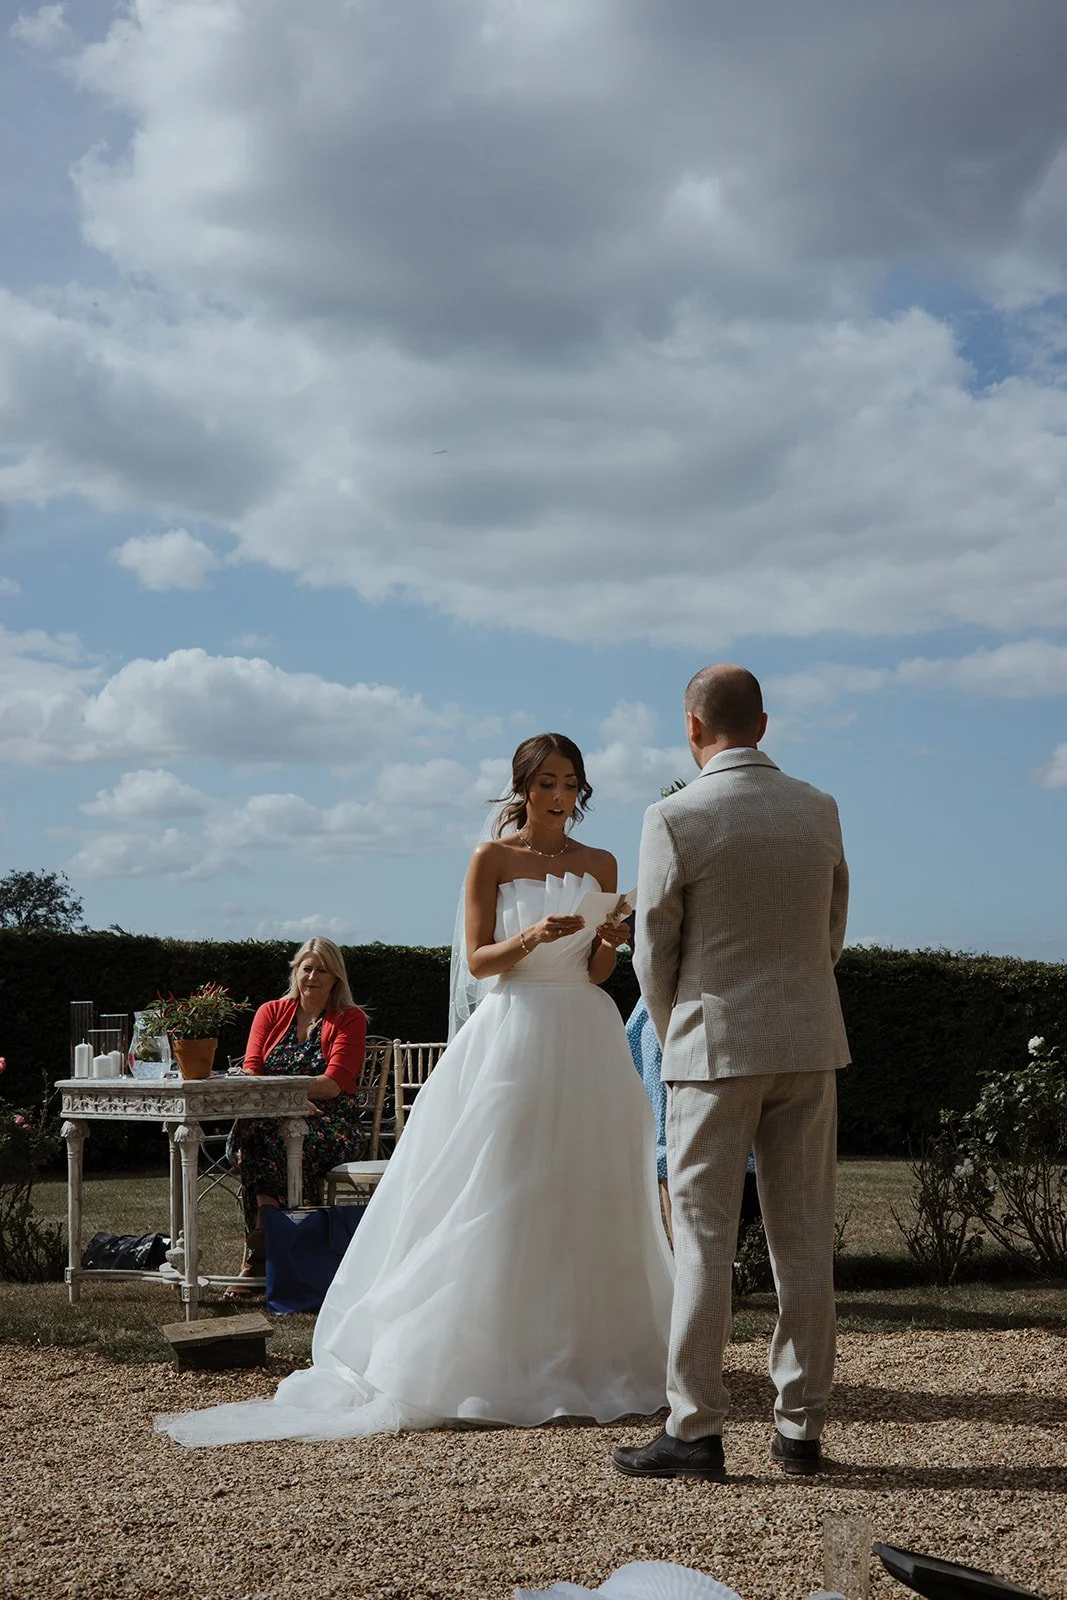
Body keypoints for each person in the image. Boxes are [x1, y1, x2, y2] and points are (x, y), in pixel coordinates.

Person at [158, 733, 673, 1445]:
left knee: (584, 1180)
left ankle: (588, 1350)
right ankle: (491, 1352)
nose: (559, 797)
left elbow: (591, 974)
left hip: (584, 1029)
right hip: (516, 1028)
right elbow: (480, 960)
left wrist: (609, 937)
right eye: (547, 783)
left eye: (570, 783)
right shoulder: (490, 859)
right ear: (522, 786)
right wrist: (532, 938)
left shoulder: (601, 863)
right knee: (505, 1179)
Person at [613, 664, 849, 1483]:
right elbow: (831, 929)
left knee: (704, 1236)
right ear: (763, 723)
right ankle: (800, 1429)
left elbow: (653, 946)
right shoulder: (817, 810)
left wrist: (680, 1023)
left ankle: (695, 1427)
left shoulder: (674, 816)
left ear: (690, 727)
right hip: (808, 1041)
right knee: (801, 1233)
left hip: (712, 1047)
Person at [223, 937, 367, 1293]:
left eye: (323, 970)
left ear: (336, 978)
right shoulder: (270, 1012)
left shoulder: (350, 1019)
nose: (313, 976)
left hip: (332, 1124)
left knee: (265, 1137)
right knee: (264, 1130)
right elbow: (252, 1068)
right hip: (270, 1117)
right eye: (307, 968)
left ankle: (259, 1253)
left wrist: (286, 1099)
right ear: (295, 972)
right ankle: (276, 1238)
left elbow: (333, 1084)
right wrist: (287, 1104)